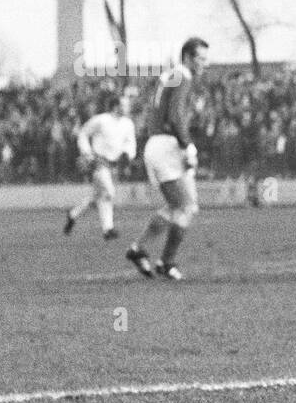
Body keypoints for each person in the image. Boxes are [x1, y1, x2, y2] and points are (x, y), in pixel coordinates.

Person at [126, 38, 207, 281]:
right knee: (185, 207)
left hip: (157, 143)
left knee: (180, 206)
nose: (204, 63)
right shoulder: (183, 76)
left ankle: (142, 251)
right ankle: (165, 261)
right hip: (167, 145)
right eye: (201, 58)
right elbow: (175, 115)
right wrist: (187, 145)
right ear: (188, 58)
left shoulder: (170, 75)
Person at [65, 92, 136, 241]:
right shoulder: (101, 120)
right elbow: (83, 133)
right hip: (99, 162)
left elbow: (130, 143)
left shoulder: (128, 123)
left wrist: (128, 155)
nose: (128, 107)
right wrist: (88, 154)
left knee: (97, 198)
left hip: (114, 165)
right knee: (109, 193)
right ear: (116, 106)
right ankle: (108, 230)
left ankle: (73, 215)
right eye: (124, 105)